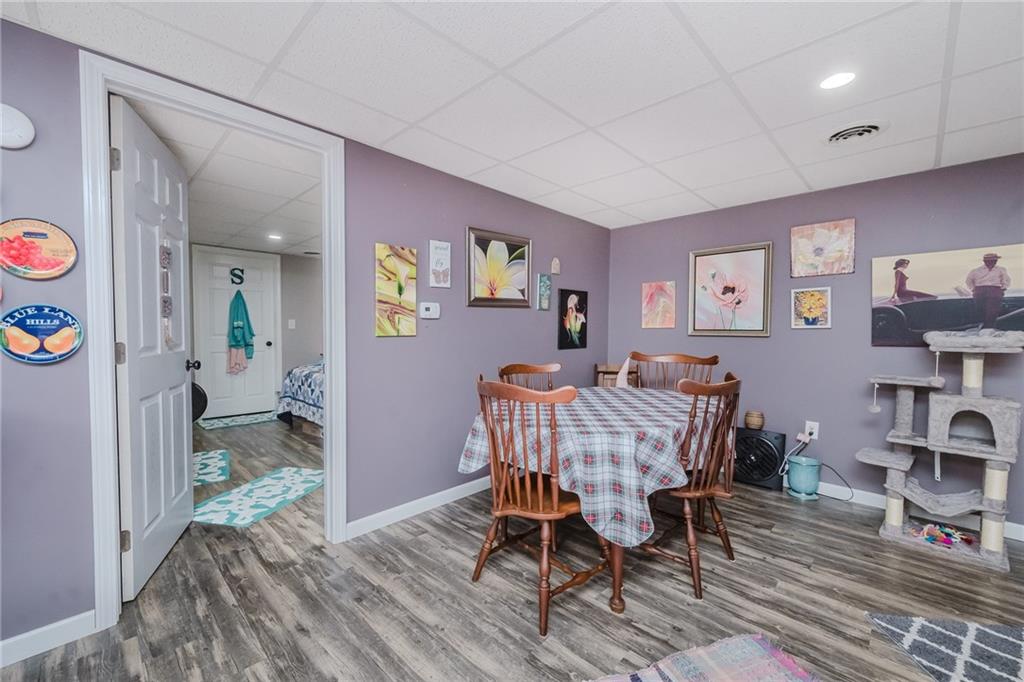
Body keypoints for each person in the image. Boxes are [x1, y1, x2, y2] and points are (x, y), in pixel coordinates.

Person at [966, 252, 1011, 328]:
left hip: (995, 290)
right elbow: (969, 281)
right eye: (991, 260)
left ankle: (988, 327)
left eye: (995, 260)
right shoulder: (976, 270)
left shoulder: (1001, 269)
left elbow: (1006, 280)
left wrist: (1002, 289)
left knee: (992, 311)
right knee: (980, 309)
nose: (993, 262)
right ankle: (983, 326)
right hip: (980, 290)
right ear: (985, 261)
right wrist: (973, 289)